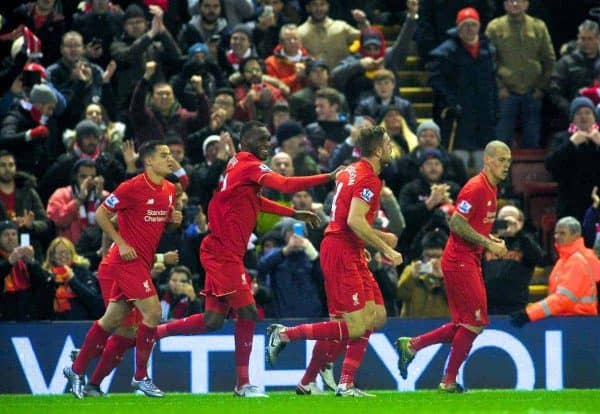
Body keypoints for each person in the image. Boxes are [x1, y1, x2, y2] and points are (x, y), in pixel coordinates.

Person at [155, 121, 337, 397]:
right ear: (247, 141)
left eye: (269, 139)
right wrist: (328, 176)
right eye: (262, 139)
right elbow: (286, 185)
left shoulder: (237, 164)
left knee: (213, 320)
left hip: (222, 250)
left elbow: (255, 201)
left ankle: (151, 334)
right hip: (223, 252)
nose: (268, 143)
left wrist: (292, 214)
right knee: (249, 312)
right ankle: (243, 384)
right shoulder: (249, 164)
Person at [266, 125, 403, 397]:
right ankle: (285, 336)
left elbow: (346, 218)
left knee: (376, 316)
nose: (391, 148)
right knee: (353, 325)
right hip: (340, 251)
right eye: (388, 143)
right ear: (377, 150)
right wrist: (384, 249)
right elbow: (353, 220)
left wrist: (371, 240)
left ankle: (314, 381)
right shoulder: (368, 179)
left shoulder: (350, 170)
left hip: (347, 248)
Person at [63, 140, 182, 399]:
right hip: (126, 261)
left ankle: (77, 367)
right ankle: (141, 377)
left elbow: (160, 222)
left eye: (170, 154)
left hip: (143, 262)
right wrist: (121, 242)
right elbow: (101, 213)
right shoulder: (132, 187)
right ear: (148, 160)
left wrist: (173, 220)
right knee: (152, 313)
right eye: (164, 155)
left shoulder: (171, 189)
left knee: (113, 320)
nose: (169, 158)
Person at [395, 140, 511, 393]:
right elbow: (457, 223)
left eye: (509, 161)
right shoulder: (476, 187)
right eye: (502, 160)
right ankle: (447, 381)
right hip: (459, 260)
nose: (506, 165)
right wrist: (487, 244)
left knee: (465, 324)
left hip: (468, 259)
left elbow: (474, 225)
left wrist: (489, 239)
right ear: (488, 160)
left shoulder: (492, 189)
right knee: (475, 322)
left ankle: (413, 346)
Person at [510, 216, 600, 327]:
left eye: (562, 233)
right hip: (570, 322)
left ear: (575, 235)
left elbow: (562, 300)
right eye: (556, 233)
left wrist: (529, 313)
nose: (557, 236)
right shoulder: (562, 261)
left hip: (579, 325)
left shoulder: (577, 261)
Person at [483, 205, 545, 315]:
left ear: (520, 223)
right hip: (487, 306)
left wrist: (519, 233)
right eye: (502, 219)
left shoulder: (526, 241)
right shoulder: (487, 242)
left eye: (511, 219)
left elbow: (540, 259)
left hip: (516, 306)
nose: (506, 223)